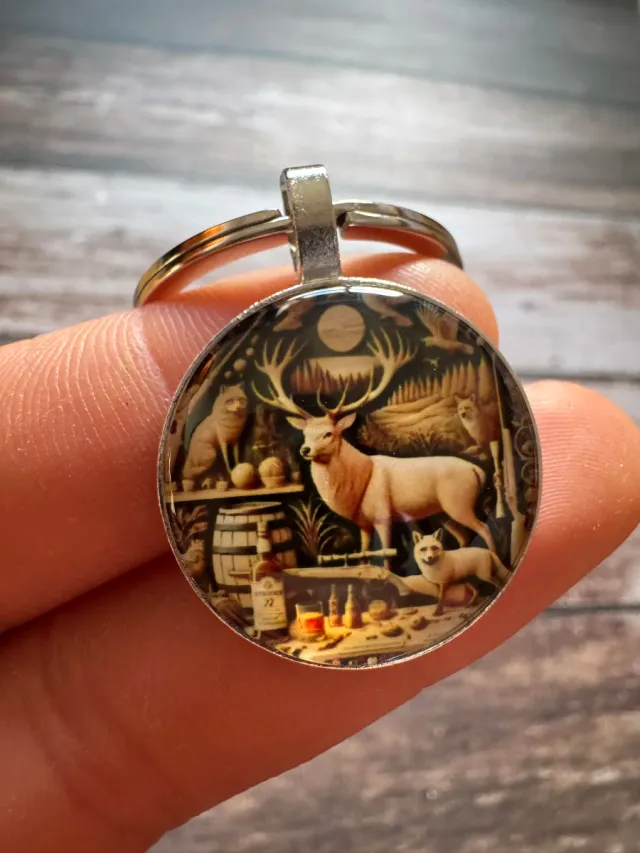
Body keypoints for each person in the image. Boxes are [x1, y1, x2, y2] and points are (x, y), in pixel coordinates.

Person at [1, 255, 638, 852]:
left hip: (440, 480)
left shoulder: (382, 468)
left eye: (324, 435)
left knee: (453, 519)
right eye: (308, 436)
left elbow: (380, 515)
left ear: (341, 432)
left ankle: (456, 552)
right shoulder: (326, 464)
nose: (312, 445)